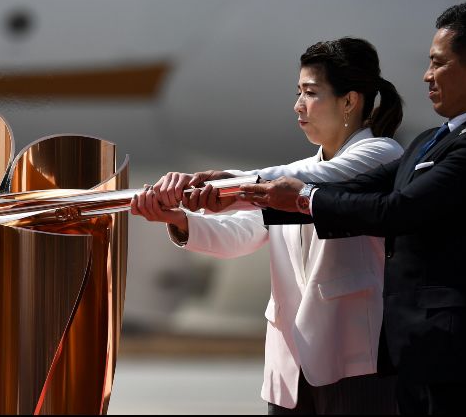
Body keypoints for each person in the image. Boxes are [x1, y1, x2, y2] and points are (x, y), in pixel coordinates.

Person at [234, 2, 466, 414]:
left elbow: (398, 210)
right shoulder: (433, 139)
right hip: (419, 358)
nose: (427, 75)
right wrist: (246, 190)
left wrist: (300, 197)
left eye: (438, 63)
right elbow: (352, 186)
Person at [131, 37, 405, 414]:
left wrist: (226, 182)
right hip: (291, 361)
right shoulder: (289, 175)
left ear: (349, 101)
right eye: (298, 93)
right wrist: (179, 220)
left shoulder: (381, 156)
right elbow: (243, 233)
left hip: (356, 358)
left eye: (310, 93)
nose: (298, 106)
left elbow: (315, 179)